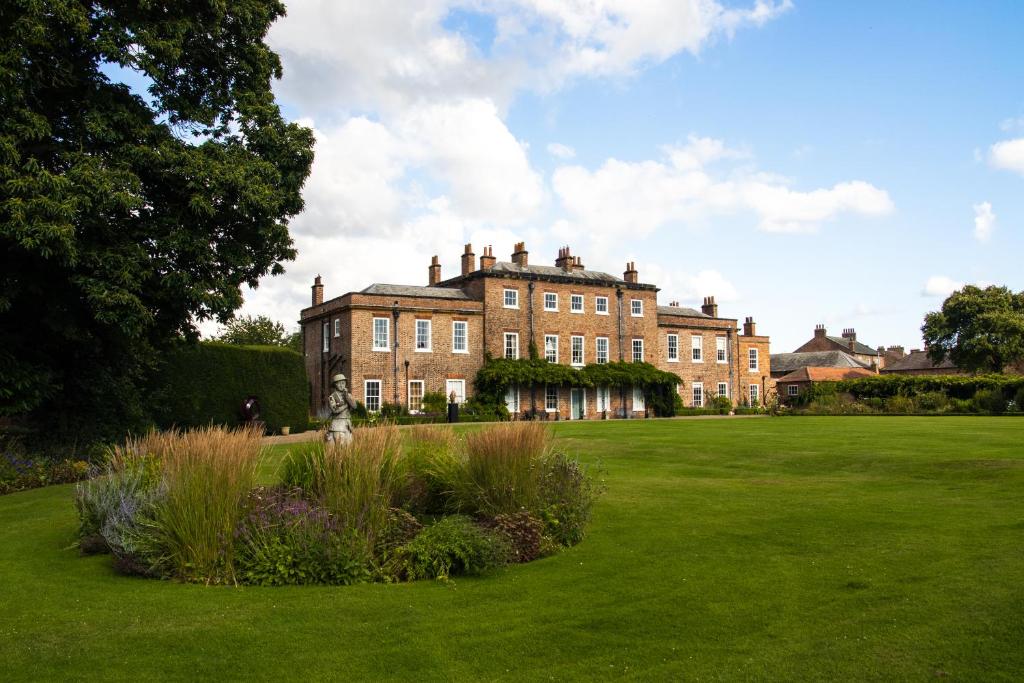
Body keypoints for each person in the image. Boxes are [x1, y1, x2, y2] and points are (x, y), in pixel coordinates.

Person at [326, 374, 357, 443]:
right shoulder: (332, 397)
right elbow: (335, 410)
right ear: (335, 385)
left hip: (347, 424)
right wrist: (347, 405)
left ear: (345, 384)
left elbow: (355, 406)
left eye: (343, 383)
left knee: (349, 445)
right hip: (337, 425)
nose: (341, 385)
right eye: (339, 383)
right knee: (340, 445)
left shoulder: (348, 395)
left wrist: (347, 398)